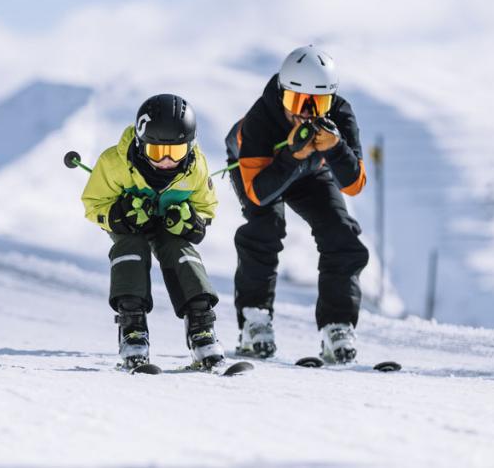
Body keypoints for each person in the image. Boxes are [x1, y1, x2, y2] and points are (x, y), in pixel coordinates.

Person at [225, 45, 368, 364]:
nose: (306, 112)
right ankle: (254, 318)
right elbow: (257, 194)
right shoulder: (263, 117)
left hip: (311, 171)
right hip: (259, 171)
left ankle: (338, 323)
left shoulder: (340, 116)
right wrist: (293, 156)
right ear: (282, 93)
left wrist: (336, 147)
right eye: (296, 101)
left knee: (341, 234)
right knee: (265, 227)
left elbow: (354, 184)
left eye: (318, 103)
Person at [81, 93, 225, 370]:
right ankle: (133, 328)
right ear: (140, 142)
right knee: (130, 249)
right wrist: (119, 215)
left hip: (169, 229)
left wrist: (192, 222)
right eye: (157, 151)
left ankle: (201, 327)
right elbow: (93, 203)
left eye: (177, 151)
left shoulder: (196, 168)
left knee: (181, 252)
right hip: (132, 227)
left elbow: (207, 207)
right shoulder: (114, 162)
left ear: (190, 146)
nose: (167, 161)